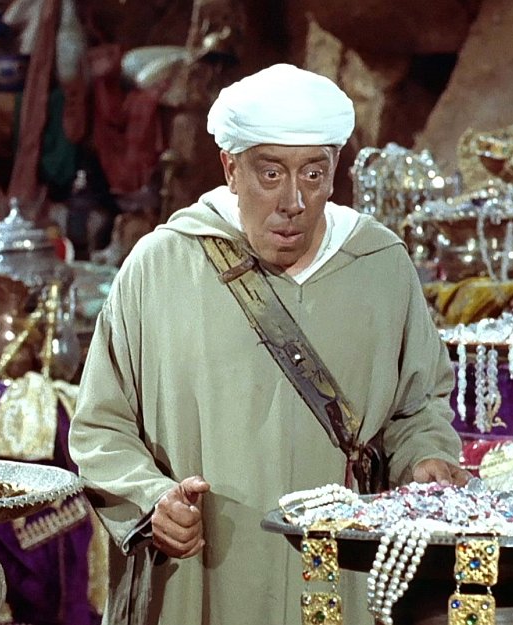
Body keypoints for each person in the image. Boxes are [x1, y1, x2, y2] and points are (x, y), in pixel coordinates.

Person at [69, 63, 470, 625]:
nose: (293, 201)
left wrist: (424, 457)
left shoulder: (380, 265)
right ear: (230, 169)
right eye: (271, 173)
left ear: (335, 171)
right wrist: (152, 499)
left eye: (314, 174)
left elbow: (417, 406)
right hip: (202, 574)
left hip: (343, 576)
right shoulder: (161, 267)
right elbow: (101, 427)